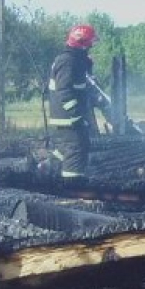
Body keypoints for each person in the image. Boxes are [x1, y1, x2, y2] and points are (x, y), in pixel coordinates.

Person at [45, 23, 109, 177]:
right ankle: (72, 186)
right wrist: (75, 114)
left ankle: (45, 171)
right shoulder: (67, 61)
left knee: (66, 149)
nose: (91, 46)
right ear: (82, 44)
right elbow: (64, 91)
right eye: (90, 43)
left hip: (69, 117)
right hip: (67, 118)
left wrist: (87, 65)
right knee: (76, 149)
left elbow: (81, 84)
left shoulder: (75, 60)